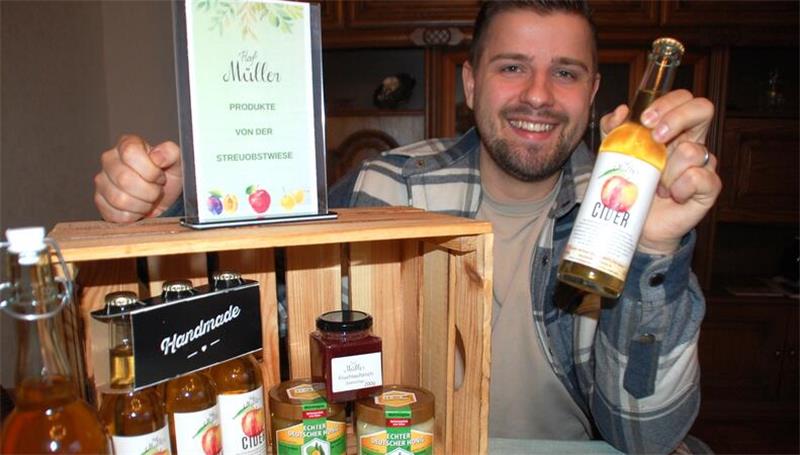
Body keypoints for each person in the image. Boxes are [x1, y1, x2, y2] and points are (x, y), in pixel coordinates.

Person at [93, 1, 722, 452]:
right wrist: (176, 231)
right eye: (511, 66)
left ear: (592, 95)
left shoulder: (624, 209)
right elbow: (273, 321)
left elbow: (646, 437)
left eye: (565, 72)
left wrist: (656, 245)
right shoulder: (389, 185)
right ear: (470, 84)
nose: (538, 94)